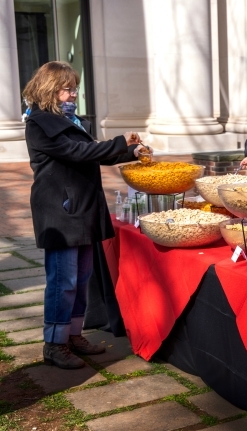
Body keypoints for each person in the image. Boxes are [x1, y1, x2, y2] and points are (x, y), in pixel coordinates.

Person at [23, 61, 147, 369]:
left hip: (82, 208)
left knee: (80, 279)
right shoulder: (39, 123)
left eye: (74, 87)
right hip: (61, 210)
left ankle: (73, 336)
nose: (73, 93)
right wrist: (120, 141)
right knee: (63, 281)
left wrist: (129, 153)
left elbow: (92, 153)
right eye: (68, 88)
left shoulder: (71, 120)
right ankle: (54, 344)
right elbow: (77, 153)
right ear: (50, 90)